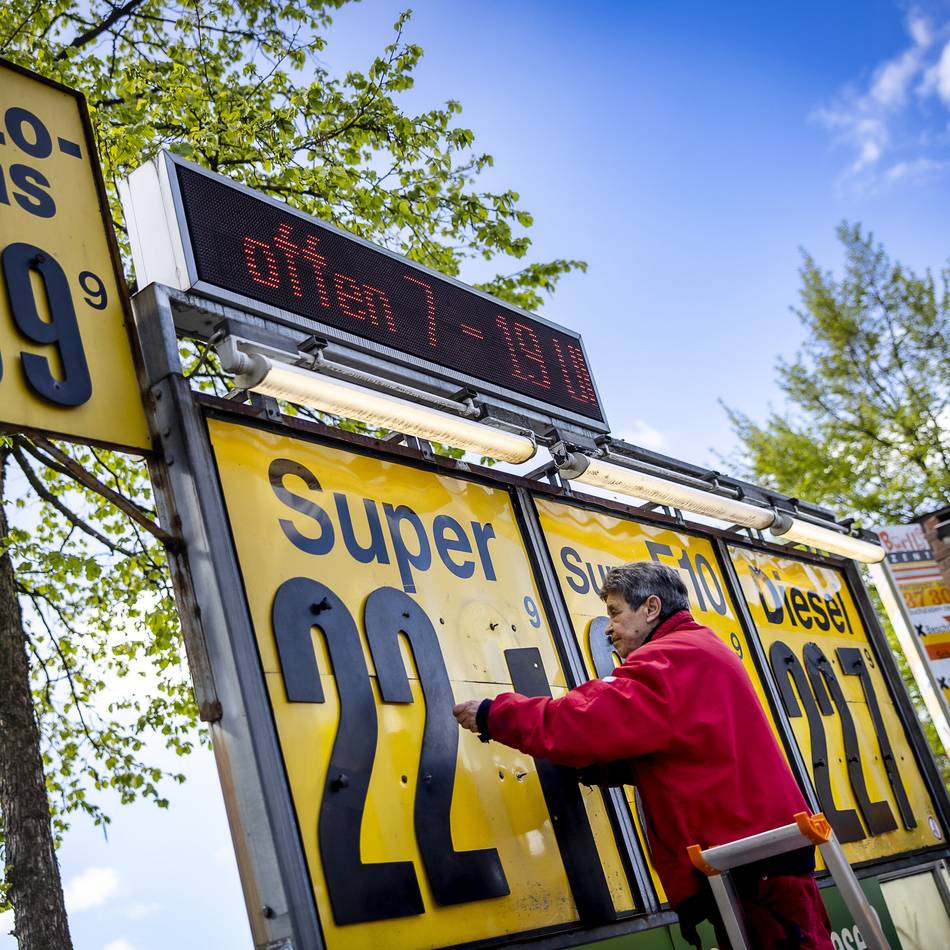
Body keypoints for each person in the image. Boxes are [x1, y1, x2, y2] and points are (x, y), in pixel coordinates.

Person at [453, 562, 833, 949]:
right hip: (759, 861)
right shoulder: (699, 648)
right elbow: (690, 754)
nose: (608, 628)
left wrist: (492, 713)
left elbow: (581, 721)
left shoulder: (669, 660)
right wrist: (606, 768)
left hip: (752, 867)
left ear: (651, 608)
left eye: (615, 613)